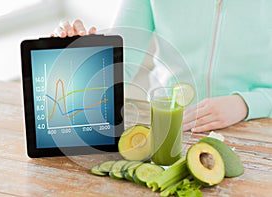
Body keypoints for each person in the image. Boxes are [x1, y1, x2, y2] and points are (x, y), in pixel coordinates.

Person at [52, 0, 272, 133]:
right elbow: (120, 62)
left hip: (256, 130)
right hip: (168, 127)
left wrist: (246, 104)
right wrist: (79, 58)